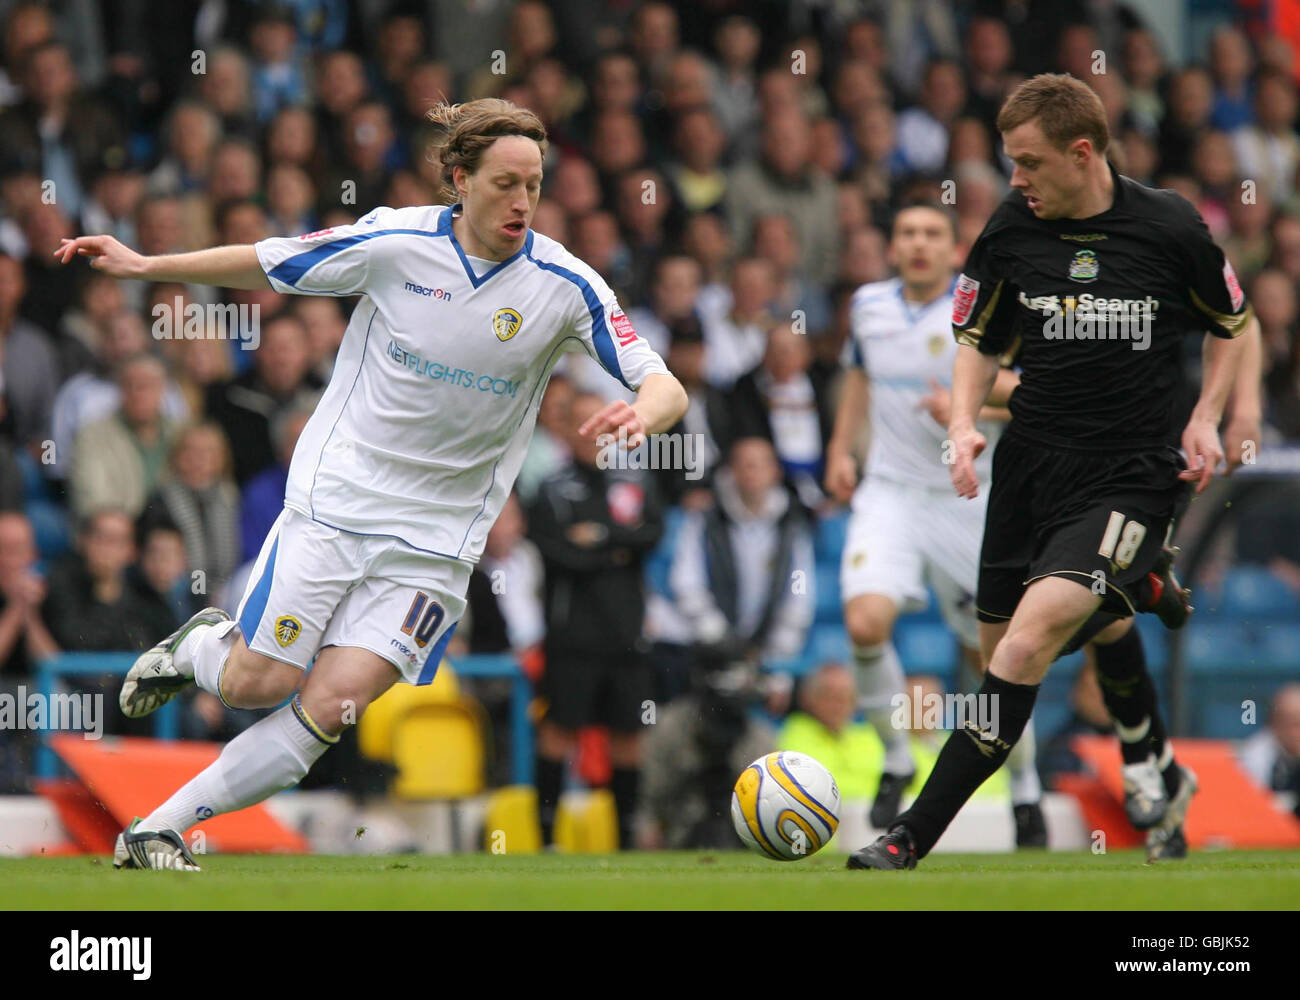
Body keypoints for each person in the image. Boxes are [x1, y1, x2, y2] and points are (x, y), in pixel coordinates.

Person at [55, 97, 686, 871]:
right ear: (459, 179)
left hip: (438, 543)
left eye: (535, 183)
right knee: (258, 682)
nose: (523, 201)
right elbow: (269, 258)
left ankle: (156, 828)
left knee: (328, 708)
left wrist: (641, 416)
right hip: (339, 503)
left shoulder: (565, 284)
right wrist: (149, 265)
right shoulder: (393, 241)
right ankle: (200, 650)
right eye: (504, 182)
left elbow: (663, 381)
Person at [847, 74, 1257, 872]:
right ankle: (1138, 607)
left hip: (1131, 474)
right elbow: (975, 339)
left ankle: (907, 837)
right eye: (1010, 162)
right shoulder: (1010, 229)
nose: (1015, 178)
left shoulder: (1169, 226)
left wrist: (1209, 413)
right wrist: (965, 425)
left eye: (1029, 162)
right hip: (1031, 472)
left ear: (1083, 153)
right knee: (1014, 641)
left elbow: (1234, 323)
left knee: (1025, 646)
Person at [825, 200, 1047, 847]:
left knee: (998, 657)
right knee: (866, 621)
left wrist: (967, 404)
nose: (918, 244)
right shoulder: (867, 306)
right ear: (892, 246)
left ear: (955, 249)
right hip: (889, 491)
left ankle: (1026, 791)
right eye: (906, 233)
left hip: (965, 495)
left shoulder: (986, 309)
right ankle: (896, 757)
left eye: (932, 234)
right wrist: (843, 448)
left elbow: (1033, 394)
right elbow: (860, 379)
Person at [528, 392, 665, 849]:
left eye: (601, 424)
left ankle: (625, 838)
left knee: (628, 737)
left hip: (627, 635)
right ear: (567, 430)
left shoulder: (635, 480)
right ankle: (546, 837)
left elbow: (653, 534)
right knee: (557, 732)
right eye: (583, 424)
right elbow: (558, 552)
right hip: (572, 637)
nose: (594, 434)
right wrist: (616, 548)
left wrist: (600, 537)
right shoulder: (550, 488)